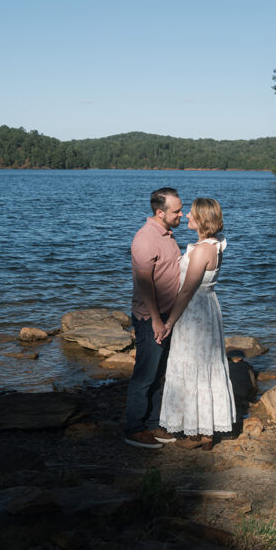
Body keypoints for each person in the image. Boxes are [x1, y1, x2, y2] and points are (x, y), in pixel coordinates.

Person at [158, 198, 235, 450]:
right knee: (205, 365)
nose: (187, 216)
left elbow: (187, 291)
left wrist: (169, 322)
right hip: (208, 307)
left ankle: (196, 433)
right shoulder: (214, 245)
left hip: (195, 313)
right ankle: (207, 433)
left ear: (202, 218)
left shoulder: (203, 250)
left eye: (191, 213)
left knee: (193, 364)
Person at [124, 187, 183, 449]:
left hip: (167, 315)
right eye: (178, 211)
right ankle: (134, 429)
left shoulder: (167, 233)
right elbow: (144, 283)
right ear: (160, 213)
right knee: (145, 375)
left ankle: (154, 424)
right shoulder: (145, 238)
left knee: (161, 372)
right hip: (150, 318)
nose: (183, 214)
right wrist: (156, 320)